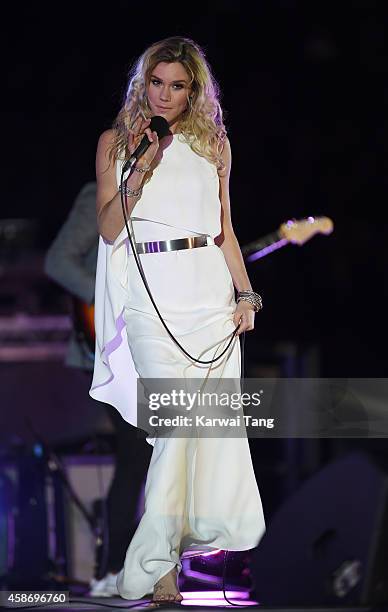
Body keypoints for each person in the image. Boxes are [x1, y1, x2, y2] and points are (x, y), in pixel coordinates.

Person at [89, 36, 266, 604]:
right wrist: (141, 171)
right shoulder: (117, 143)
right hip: (149, 296)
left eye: (177, 85)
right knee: (173, 430)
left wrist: (245, 294)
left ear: (194, 91)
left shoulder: (215, 143)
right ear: (143, 85)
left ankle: (161, 562)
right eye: (156, 83)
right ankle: (153, 566)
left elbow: (225, 231)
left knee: (200, 438)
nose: (164, 95)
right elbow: (111, 229)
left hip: (208, 296)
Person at [44, 182, 152, 596]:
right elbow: (57, 262)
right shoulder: (99, 194)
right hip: (108, 346)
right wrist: (109, 300)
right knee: (137, 452)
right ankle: (114, 566)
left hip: (150, 345)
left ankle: (135, 564)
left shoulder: (171, 191)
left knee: (150, 454)